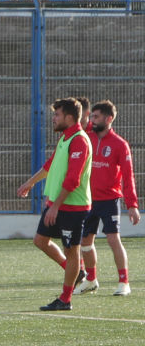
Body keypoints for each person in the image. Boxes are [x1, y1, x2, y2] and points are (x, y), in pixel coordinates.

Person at [16, 97, 92, 311]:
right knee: (40, 241)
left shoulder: (79, 140)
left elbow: (73, 179)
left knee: (72, 251)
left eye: (57, 115)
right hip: (57, 204)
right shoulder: (65, 138)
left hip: (72, 207)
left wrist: (56, 206)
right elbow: (50, 165)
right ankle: (76, 272)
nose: (53, 118)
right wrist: (30, 183)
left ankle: (65, 299)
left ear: (69, 117)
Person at [75, 100, 139, 297]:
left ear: (108, 119)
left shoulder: (120, 144)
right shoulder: (87, 138)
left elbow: (128, 176)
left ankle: (124, 282)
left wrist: (132, 205)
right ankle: (91, 279)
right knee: (85, 241)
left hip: (109, 200)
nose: (92, 120)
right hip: (87, 199)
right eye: (91, 116)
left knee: (113, 239)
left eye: (96, 117)